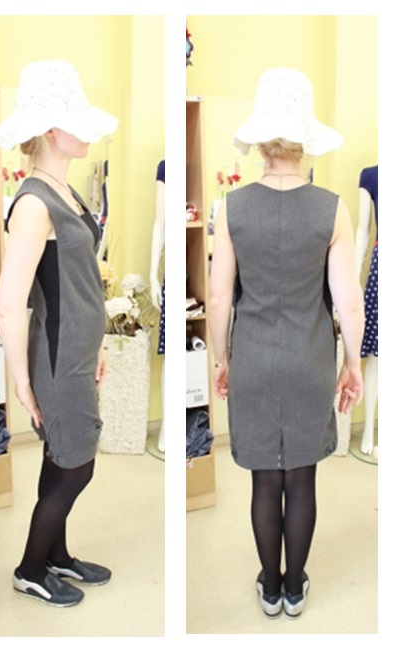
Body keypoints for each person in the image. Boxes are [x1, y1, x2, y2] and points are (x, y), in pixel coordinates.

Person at [208, 68, 364, 619]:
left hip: (253, 357)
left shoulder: (232, 208)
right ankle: (296, 587)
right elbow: (348, 303)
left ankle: (270, 586)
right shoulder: (331, 208)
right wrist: (352, 365)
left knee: (264, 480)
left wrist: (221, 359)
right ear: (304, 138)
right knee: (301, 478)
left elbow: (219, 299)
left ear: (261, 140)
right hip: (310, 359)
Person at [0, 60, 118, 607]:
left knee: (58, 457)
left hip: (78, 350)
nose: (87, 130)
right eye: (75, 120)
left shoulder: (64, 191)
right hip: (58, 355)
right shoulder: (34, 203)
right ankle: (29, 568)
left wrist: (101, 341)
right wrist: (22, 379)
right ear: (48, 130)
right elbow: (9, 300)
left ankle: (56, 555)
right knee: (76, 465)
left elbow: (80, 277)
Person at [355, 165, 378, 456]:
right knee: (377, 356)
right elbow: (362, 230)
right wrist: (351, 282)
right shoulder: (372, 175)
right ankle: (370, 430)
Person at [149, 161, 165, 451]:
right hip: (173, 268)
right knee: (172, 354)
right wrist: (152, 274)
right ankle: (168, 426)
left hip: (194, 259)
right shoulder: (167, 166)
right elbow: (160, 222)